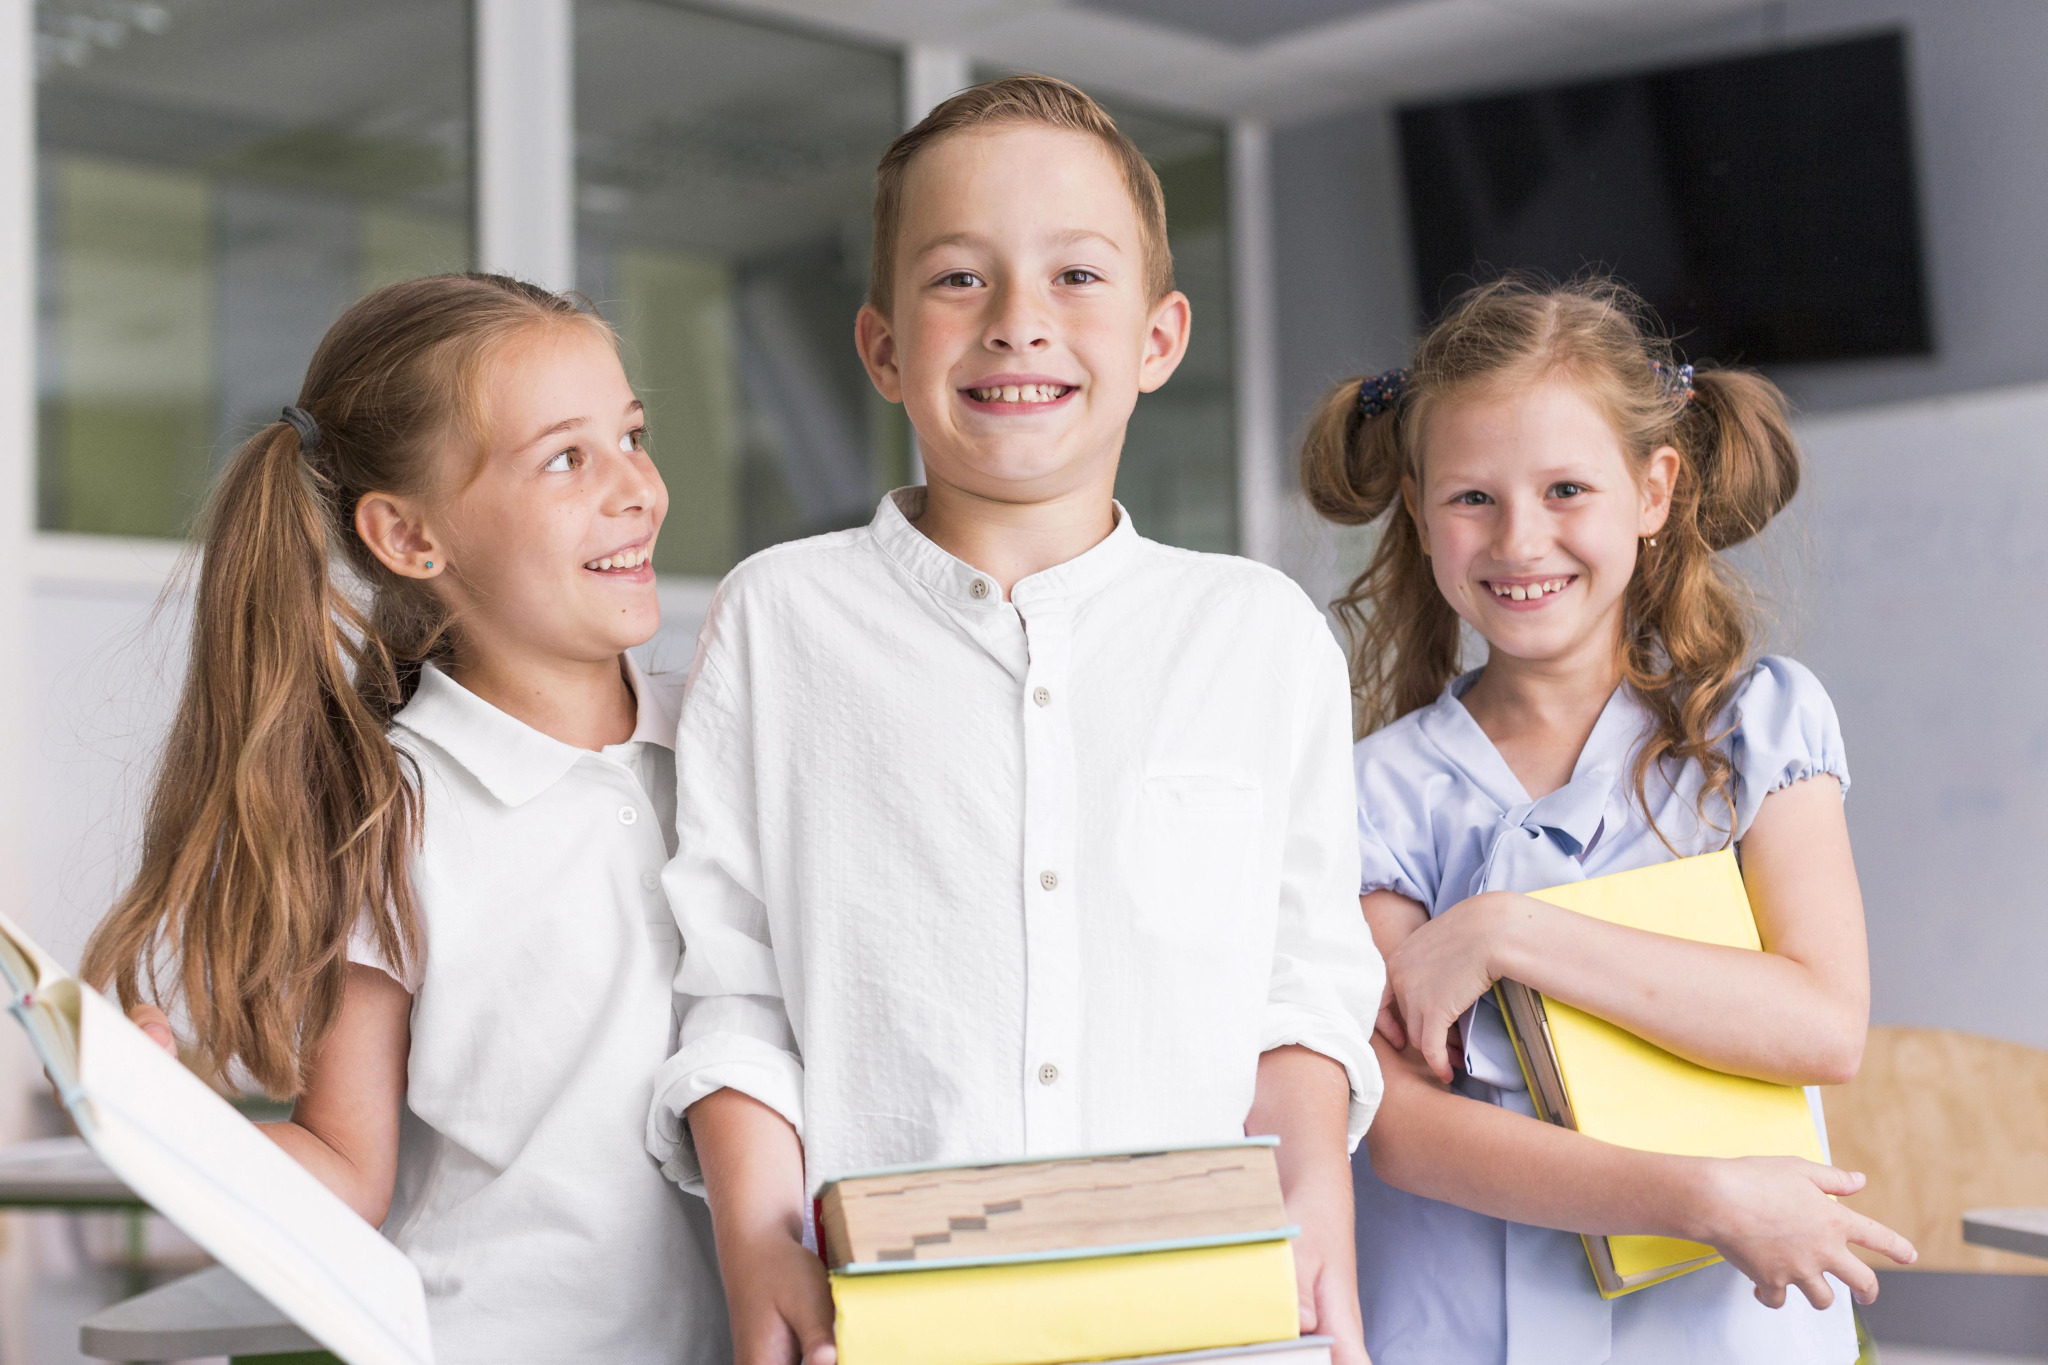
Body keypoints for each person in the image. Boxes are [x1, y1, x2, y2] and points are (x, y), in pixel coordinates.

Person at [650, 76, 1384, 1365]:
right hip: (883, 1323)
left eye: (1076, 277)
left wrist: (1313, 1197)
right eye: (957, 279)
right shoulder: (778, 621)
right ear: (881, 348)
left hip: (1205, 1322)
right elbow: (732, 984)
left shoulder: (1258, 636)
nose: (1016, 324)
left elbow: (1303, 988)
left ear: (1159, 340)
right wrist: (757, 1239)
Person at [82, 273, 727, 1365]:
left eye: (633, 434)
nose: (639, 489)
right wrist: (160, 1126)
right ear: (408, 537)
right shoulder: (389, 812)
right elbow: (344, 1167)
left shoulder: (727, 743)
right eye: (567, 457)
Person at [1299, 274, 1916, 1365]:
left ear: (1652, 490)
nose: (1518, 541)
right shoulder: (1368, 793)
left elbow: (1819, 1022)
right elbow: (1401, 1131)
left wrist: (1504, 932)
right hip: (1456, 1332)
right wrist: (1701, 1200)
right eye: (1470, 498)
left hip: (1721, 1331)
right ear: (1415, 505)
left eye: (1565, 490)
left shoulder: (1754, 729)